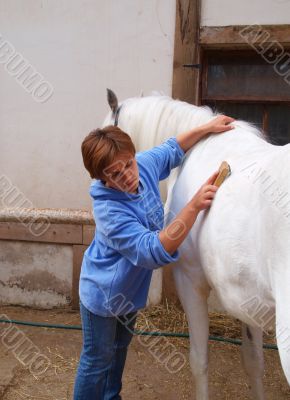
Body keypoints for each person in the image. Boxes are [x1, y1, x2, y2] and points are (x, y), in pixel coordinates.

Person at [73, 115, 235, 399]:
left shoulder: (141, 166)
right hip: (103, 294)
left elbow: (172, 148)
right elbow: (152, 250)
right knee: (97, 360)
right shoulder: (109, 211)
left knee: (119, 350)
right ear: (100, 178)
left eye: (128, 164)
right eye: (114, 173)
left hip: (129, 291)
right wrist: (194, 206)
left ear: (133, 156)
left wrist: (207, 127)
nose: (126, 175)